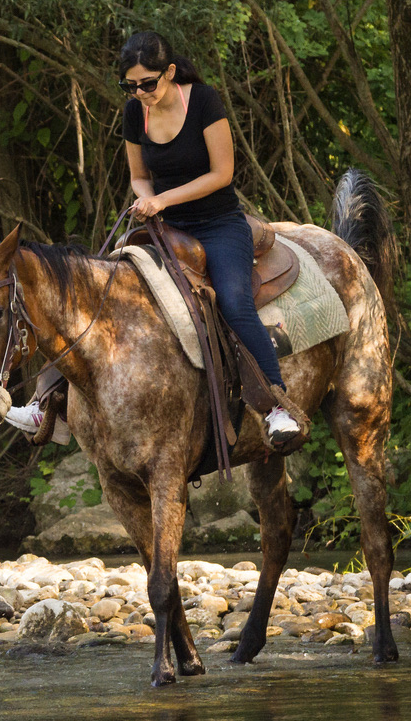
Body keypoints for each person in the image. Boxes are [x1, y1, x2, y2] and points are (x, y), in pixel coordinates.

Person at [112, 31, 302, 451]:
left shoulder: (203, 100)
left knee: (233, 301)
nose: (140, 92)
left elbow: (222, 173)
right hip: (165, 228)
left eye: (148, 83)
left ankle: (277, 404)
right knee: (106, 285)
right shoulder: (133, 112)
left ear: (170, 72)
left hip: (217, 223)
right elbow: (139, 176)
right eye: (131, 85)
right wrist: (148, 202)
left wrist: (162, 199)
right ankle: (44, 405)